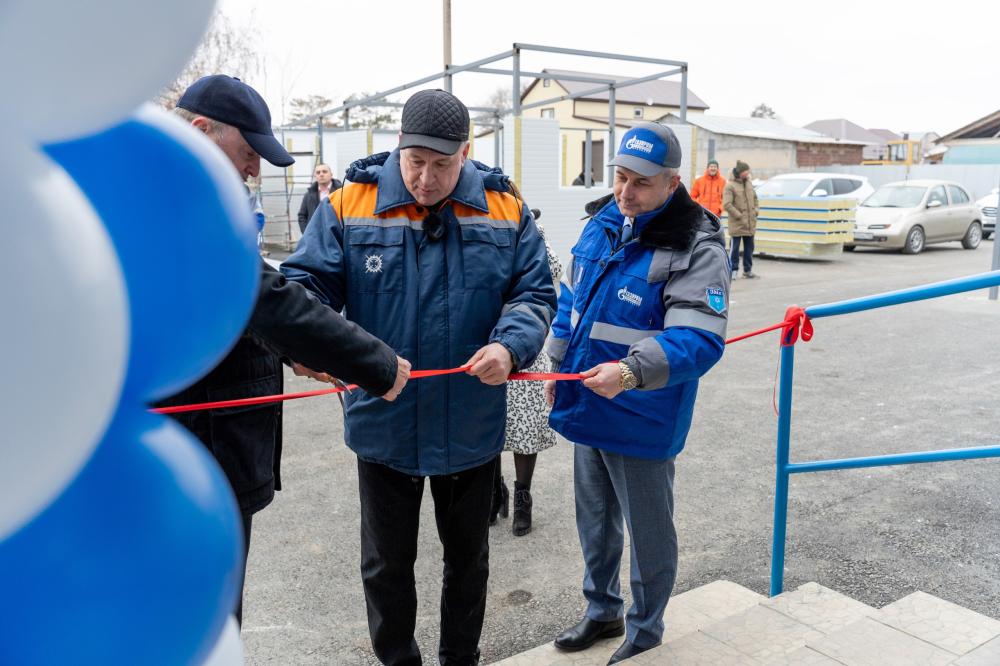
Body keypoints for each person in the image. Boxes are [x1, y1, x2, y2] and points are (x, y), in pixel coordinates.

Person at [281, 89, 556, 665]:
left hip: (472, 422)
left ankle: (461, 658)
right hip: (385, 423)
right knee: (386, 565)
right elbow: (304, 287)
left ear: (466, 154)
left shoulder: (505, 209)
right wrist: (313, 341)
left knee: (469, 561)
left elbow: (534, 292)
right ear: (398, 148)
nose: (426, 180)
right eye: (415, 163)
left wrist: (510, 346)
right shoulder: (350, 204)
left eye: (442, 165)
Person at [157, 75, 411, 625]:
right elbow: (265, 298)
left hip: (193, 447)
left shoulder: (163, 191)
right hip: (201, 453)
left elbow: (224, 309)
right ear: (202, 131)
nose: (253, 169)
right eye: (247, 152)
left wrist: (287, 353)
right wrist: (377, 364)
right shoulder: (177, 203)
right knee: (206, 616)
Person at [544, 121, 730, 665]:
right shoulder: (603, 223)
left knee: (648, 531)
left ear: (672, 183)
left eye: (641, 183)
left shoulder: (695, 245)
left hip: (641, 412)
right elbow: (570, 303)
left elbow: (698, 338)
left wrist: (627, 373)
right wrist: (557, 369)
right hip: (586, 398)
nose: (626, 192)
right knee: (595, 520)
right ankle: (601, 610)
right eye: (621, 177)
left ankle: (645, 630)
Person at [490, 209, 562, 537]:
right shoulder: (481, 230)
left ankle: (522, 497)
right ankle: (495, 489)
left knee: (524, 429)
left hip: (525, 347)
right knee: (486, 427)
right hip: (485, 345)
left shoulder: (534, 233)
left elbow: (553, 273)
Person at [722, 160, 759, 279]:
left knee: (749, 249)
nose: (748, 173)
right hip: (737, 223)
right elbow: (727, 204)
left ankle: (747, 271)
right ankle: (733, 270)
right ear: (740, 172)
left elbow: (755, 198)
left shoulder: (749, 183)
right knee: (734, 249)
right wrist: (739, 215)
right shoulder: (730, 185)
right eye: (746, 171)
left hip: (750, 223)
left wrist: (756, 211)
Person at [297, 163, 343, 235]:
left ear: (331, 174)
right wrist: (307, 234)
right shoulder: (309, 195)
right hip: (315, 237)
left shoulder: (341, 192)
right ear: (315, 176)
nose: (321, 174)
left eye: (324, 171)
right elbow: (302, 216)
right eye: (318, 172)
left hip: (336, 236)